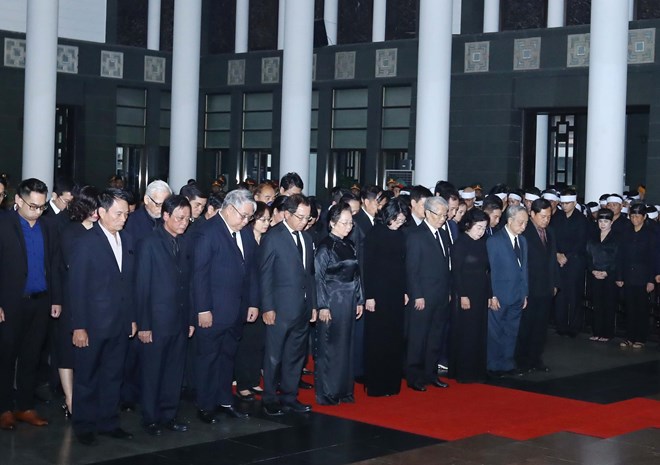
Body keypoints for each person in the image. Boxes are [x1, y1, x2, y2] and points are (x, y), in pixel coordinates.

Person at [68, 188, 136, 445]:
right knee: (87, 376)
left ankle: (108, 421)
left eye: (126, 214)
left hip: (119, 322)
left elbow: (127, 283)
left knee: (113, 375)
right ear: (101, 213)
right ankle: (84, 425)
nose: (123, 218)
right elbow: (77, 287)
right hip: (92, 324)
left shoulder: (127, 240)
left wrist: (131, 317)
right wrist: (79, 326)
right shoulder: (86, 242)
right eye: (118, 214)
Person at [191, 189, 259, 422]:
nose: (246, 221)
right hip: (213, 310)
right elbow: (199, 275)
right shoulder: (207, 232)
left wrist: (252, 302)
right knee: (208, 358)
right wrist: (202, 309)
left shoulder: (245, 233)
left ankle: (224, 400)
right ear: (229, 209)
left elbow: (250, 271)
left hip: (237, 309)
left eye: (249, 217)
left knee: (228, 357)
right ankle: (205, 405)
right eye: (243, 216)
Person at [0, 178, 62, 431]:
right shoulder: (4, 224)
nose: (37, 211)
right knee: (6, 357)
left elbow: (54, 264)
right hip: (10, 303)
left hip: (40, 301)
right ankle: (3, 408)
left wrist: (56, 298)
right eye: (33, 206)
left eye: (41, 206)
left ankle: (24, 406)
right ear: (18, 200)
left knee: (32, 357)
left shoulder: (48, 226)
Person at [136, 195, 195, 436]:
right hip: (156, 321)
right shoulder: (149, 243)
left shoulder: (184, 242)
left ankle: (169, 415)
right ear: (166, 216)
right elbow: (142, 286)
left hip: (179, 320)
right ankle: (150, 418)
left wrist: (190, 319)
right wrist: (144, 325)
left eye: (188, 218)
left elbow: (188, 284)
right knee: (152, 372)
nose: (184, 223)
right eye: (180, 218)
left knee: (174, 372)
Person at [258, 194, 318, 416]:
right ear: (288, 214)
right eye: (300, 217)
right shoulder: (273, 237)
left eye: (307, 217)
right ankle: (270, 397)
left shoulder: (308, 238)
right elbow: (264, 275)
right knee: (274, 355)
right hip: (280, 308)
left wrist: (312, 304)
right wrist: (268, 307)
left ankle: (290, 397)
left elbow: (309, 275)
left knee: (296, 354)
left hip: (302, 308)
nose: (304, 221)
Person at [121, 179, 172, 410]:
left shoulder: (167, 223)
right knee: (133, 354)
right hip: (137, 293)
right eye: (159, 204)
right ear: (146, 200)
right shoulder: (131, 223)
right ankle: (129, 396)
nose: (163, 210)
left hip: (161, 297)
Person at [313, 203, 364, 405]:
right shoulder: (326, 246)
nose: (348, 227)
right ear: (332, 223)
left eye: (350, 223)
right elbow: (318, 277)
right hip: (332, 300)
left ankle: (343, 390)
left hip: (349, 300)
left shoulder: (349, 244)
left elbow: (357, 275)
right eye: (344, 223)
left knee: (346, 346)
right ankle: (327, 392)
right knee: (330, 347)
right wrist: (323, 306)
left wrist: (359, 299)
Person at [57, 186, 100, 419]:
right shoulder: (70, 232)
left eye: (97, 208)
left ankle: (86, 397)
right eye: (91, 207)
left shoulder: (100, 231)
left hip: (96, 300)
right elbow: (70, 268)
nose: (95, 212)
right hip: (72, 296)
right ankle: (70, 399)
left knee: (89, 351)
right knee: (67, 351)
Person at [404, 196, 451, 391]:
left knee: (435, 337)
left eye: (445, 214)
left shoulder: (443, 234)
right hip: (423, 296)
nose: (442, 218)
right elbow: (412, 268)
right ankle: (414, 377)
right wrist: (417, 295)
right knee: (418, 337)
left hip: (440, 295)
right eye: (439, 214)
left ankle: (431, 374)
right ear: (427, 213)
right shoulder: (416, 235)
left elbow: (446, 266)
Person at [363, 198, 408, 396]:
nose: (399, 223)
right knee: (378, 338)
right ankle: (376, 384)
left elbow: (402, 264)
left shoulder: (400, 235)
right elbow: (368, 267)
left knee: (394, 338)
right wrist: (369, 296)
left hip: (396, 291)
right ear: (388, 216)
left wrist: (405, 290)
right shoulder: (375, 234)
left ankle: (392, 383)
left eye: (402, 220)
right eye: (396, 219)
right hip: (378, 293)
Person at [234, 202, 272, 401]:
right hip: (248, 298)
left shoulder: (266, 239)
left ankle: (254, 379)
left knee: (259, 341)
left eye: (268, 219)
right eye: (262, 219)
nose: (266, 223)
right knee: (246, 342)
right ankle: (243, 383)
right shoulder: (245, 238)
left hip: (264, 297)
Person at [515, 198, 558, 373]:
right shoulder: (524, 233)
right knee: (526, 326)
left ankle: (536, 358)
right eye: (542, 216)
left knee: (541, 327)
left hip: (546, 287)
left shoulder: (551, 232)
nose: (546, 220)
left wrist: (555, 283)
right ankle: (521, 360)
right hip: (530, 287)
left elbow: (552, 259)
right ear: (532, 214)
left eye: (548, 216)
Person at [486, 205, 529, 377]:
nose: (523, 226)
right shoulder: (494, 241)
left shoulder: (523, 241)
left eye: (525, 223)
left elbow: (524, 269)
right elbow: (489, 270)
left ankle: (507, 363)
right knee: (495, 332)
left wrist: (525, 292)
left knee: (512, 330)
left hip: (517, 294)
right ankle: (493, 364)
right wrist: (492, 294)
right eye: (520, 222)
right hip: (499, 294)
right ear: (510, 220)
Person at [449, 209, 490, 383]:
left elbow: (487, 271)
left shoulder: (483, 243)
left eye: (484, 228)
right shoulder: (460, 244)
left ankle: (477, 369)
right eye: (479, 227)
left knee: (479, 331)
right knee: (466, 332)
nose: (481, 231)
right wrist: (463, 295)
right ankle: (463, 371)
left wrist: (489, 294)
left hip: (481, 292)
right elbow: (456, 272)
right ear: (468, 225)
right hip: (465, 293)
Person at [616, 202, 657, 349]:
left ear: (644, 217)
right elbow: (620, 255)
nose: (635, 219)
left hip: (643, 276)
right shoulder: (626, 233)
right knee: (629, 307)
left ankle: (640, 337)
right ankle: (629, 336)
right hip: (628, 274)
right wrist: (619, 276)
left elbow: (653, 258)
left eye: (638, 216)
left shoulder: (650, 234)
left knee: (641, 308)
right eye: (632, 216)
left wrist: (651, 280)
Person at [552, 188, 589, 337]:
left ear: (574, 203)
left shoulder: (581, 220)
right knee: (560, 294)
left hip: (574, 261)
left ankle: (574, 327)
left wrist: (566, 256)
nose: (564, 206)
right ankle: (560, 326)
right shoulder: (557, 218)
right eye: (563, 203)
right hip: (558, 259)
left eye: (568, 203)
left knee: (574, 295)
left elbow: (581, 242)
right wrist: (557, 254)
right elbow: (552, 238)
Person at [586, 208, 620, 342]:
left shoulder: (616, 237)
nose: (603, 224)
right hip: (595, 274)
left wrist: (607, 271)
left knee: (609, 304)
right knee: (597, 304)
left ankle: (607, 333)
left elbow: (618, 258)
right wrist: (592, 270)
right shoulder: (593, 235)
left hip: (610, 275)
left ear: (611, 222)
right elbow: (588, 255)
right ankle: (597, 331)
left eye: (606, 221)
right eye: (600, 221)